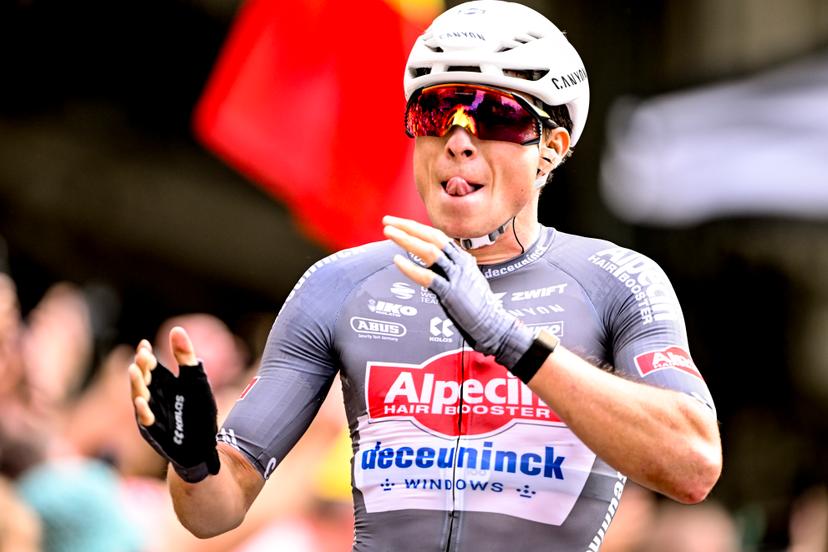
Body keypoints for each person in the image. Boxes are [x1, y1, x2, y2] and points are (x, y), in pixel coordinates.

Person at [128, 1, 722, 550]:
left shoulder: (616, 280)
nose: (457, 142)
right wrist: (195, 464)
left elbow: (693, 465)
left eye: (497, 115)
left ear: (552, 147)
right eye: (435, 112)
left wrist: (507, 338)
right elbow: (213, 514)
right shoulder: (336, 285)